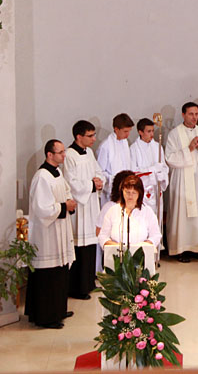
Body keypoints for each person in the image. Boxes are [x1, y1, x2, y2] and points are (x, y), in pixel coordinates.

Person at [25, 140, 76, 329]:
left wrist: (69, 201)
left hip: (59, 230)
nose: (64, 155)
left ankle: (58, 310)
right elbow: (42, 208)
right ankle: (46, 316)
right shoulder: (42, 177)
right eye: (60, 152)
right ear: (49, 155)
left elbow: (66, 190)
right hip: (46, 235)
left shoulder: (57, 172)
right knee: (48, 276)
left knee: (60, 272)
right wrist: (65, 206)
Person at [165, 102, 198, 263]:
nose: (194, 117)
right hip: (182, 179)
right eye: (190, 114)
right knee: (181, 213)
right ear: (183, 115)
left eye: (196, 114)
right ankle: (179, 249)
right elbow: (169, 158)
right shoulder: (174, 134)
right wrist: (188, 149)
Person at [62, 120, 105, 300]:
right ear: (79, 136)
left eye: (94, 135)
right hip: (79, 207)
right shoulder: (69, 155)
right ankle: (77, 287)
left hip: (91, 204)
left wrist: (100, 180)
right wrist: (91, 185)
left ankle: (88, 283)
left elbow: (98, 171)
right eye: (90, 135)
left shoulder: (89, 152)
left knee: (90, 245)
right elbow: (70, 182)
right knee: (79, 245)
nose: (94, 139)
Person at [98, 173, 162, 248]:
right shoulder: (112, 211)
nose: (130, 196)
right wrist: (117, 247)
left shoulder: (147, 211)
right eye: (127, 192)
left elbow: (156, 235)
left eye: (134, 193)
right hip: (117, 254)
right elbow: (103, 236)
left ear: (139, 194)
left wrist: (142, 247)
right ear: (122, 191)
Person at [129, 118, 169, 232]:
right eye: (148, 131)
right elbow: (133, 170)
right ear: (140, 132)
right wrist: (152, 170)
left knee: (157, 218)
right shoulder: (134, 148)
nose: (152, 134)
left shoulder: (157, 146)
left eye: (152, 131)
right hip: (143, 189)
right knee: (144, 220)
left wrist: (162, 176)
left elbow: (164, 167)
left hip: (156, 189)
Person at [96, 113, 134, 206]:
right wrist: (113, 180)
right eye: (125, 131)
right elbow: (100, 171)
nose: (128, 134)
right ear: (116, 129)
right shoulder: (106, 146)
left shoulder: (125, 142)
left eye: (129, 131)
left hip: (126, 187)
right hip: (111, 190)